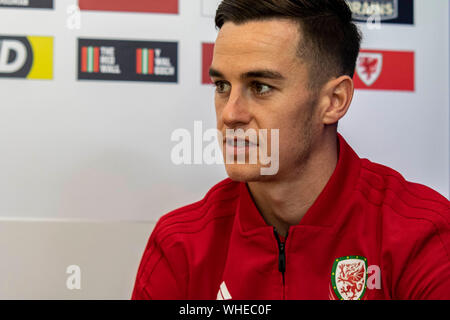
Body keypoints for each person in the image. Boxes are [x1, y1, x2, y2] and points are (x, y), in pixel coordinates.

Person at [132, 0, 450, 300]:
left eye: (261, 86)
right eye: (222, 86)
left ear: (334, 101)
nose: (230, 114)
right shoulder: (181, 244)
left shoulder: (421, 235)